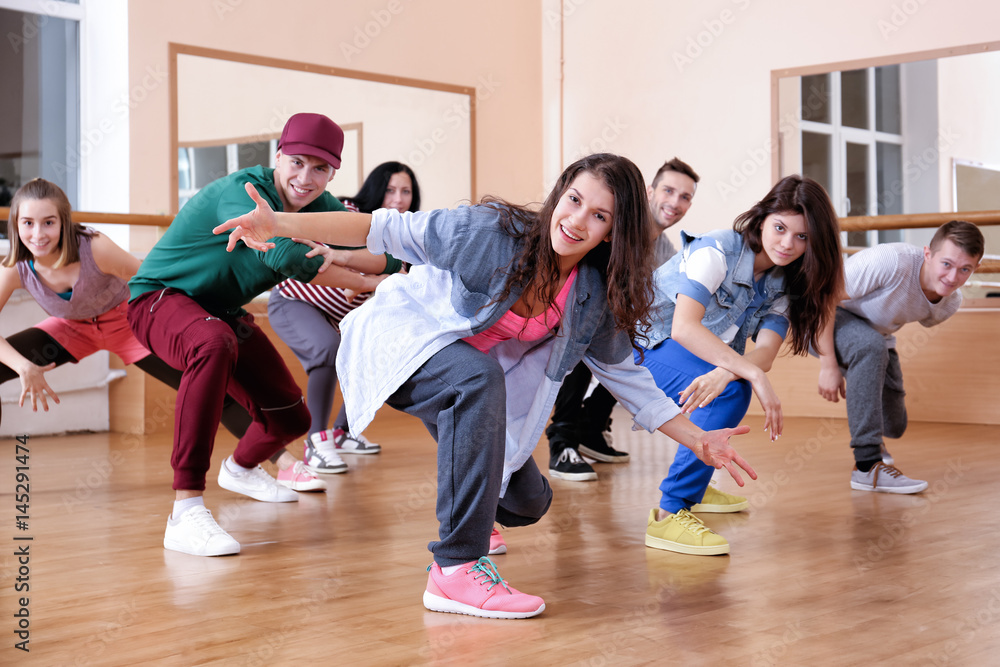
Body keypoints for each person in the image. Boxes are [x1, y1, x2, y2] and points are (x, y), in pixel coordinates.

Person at [215, 153, 757, 619]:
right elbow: (381, 229)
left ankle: (473, 514)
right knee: (476, 378)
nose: (575, 221)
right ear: (557, 194)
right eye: (571, 200)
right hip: (410, 344)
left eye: (598, 217)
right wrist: (283, 224)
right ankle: (455, 569)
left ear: (613, 232)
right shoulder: (489, 234)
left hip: (481, 389)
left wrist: (698, 439)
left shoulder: (593, 292)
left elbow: (630, 378)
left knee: (529, 501)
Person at [127, 113, 390, 557]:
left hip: (221, 312)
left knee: (292, 419)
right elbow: (281, 254)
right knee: (213, 342)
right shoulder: (244, 191)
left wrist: (404, 268)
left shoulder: (322, 207)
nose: (305, 178)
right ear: (279, 156)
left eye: (320, 169)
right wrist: (364, 281)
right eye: (297, 162)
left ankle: (242, 467)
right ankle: (184, 508)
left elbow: (374, 243)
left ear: (333, 173)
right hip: (159, 300)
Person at [639, 175, 844, 556]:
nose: (787, 244)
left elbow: (764, 351)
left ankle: (694, 485)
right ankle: (671, 512)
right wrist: (745, 372)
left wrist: (732, 369)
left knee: (729, 383)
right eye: (780, 228)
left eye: (803, 237)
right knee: (733, 391)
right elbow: (684, 327)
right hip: (640, 343)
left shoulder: (784, 282)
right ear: (762, 218)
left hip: (691, 350)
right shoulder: (718, 250)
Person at [0, 178, 255, 438]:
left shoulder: (95, 248)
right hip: (71, 328)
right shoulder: (14, 268)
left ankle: (281, 464)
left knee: (210, 387)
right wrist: (23, 366)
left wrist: (213, 315)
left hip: (129, 323)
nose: (38, 234)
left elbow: (155, 280)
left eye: (49, 222)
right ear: (16, 224)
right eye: (28, 223)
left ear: (64, 222)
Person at [545, 157, 700, 481]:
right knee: (587, 333)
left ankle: (592, 426)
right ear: (649, 191)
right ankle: (563, 442)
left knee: (652, 348)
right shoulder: (613, 228)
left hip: (611, 324)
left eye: (685, 197)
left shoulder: (666, 253)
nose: (674, 202)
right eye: (668, 191)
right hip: (569, 312)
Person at [267, 161, 417, 473]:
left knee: (378, 358)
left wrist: (377, 279)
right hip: (295, 300)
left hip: (341, 318)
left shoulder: (405, 241)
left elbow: (395, 284)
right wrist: (376, 277)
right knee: (327, 349)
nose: (398, 199)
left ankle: (342, 433)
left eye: (406, 192)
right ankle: (316, 442)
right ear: (376, 190)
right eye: (390, 190)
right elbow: (358, 271)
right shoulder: (346, 213)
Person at [816, 220, 983, 493]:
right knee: (869, 347)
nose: (953, 277)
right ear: (928, 254)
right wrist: (828, 365)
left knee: (894, 423)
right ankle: (866, 466)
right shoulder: (891, 261)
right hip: (821, 316)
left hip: (875, 335)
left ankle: (874, 438)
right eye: (946, 264)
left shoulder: (949, 303)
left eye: (965, 269)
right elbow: (823, 298)